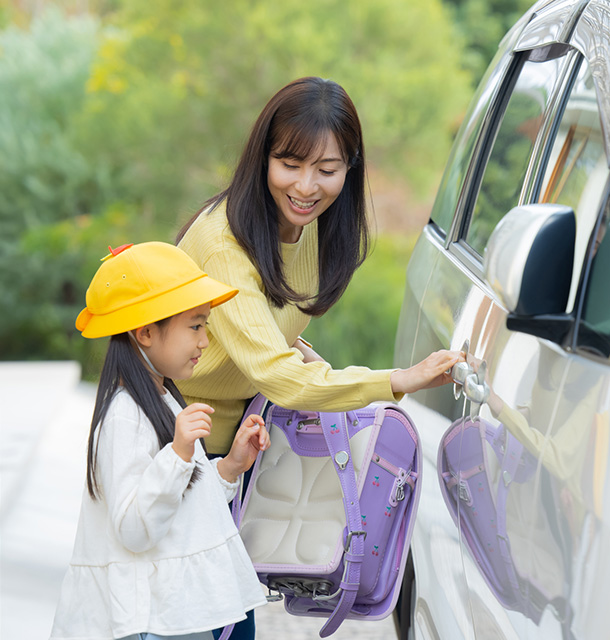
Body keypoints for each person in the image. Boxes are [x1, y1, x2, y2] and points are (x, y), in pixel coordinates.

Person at [174, 76, 462, 638]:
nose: (306, 186)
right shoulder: (223, 245)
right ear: (263, 159)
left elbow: (267, 334)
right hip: (179, 443)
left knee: (230, 621)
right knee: (194, 620)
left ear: (350, 170)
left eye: (327, 170)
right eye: (289, 163)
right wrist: (397, 379)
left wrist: (295, 348)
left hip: (234, 452)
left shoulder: (311, 229)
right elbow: (279, 378)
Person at [50, 242, 272, 640]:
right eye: (196, 325)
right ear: (147, 332)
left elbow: (182, 509)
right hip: (148, 622)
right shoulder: (125, 413)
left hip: (170, 615)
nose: (204, 341)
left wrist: (229, 467)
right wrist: (179, 453)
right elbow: (134, 529)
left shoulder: (163, 398)